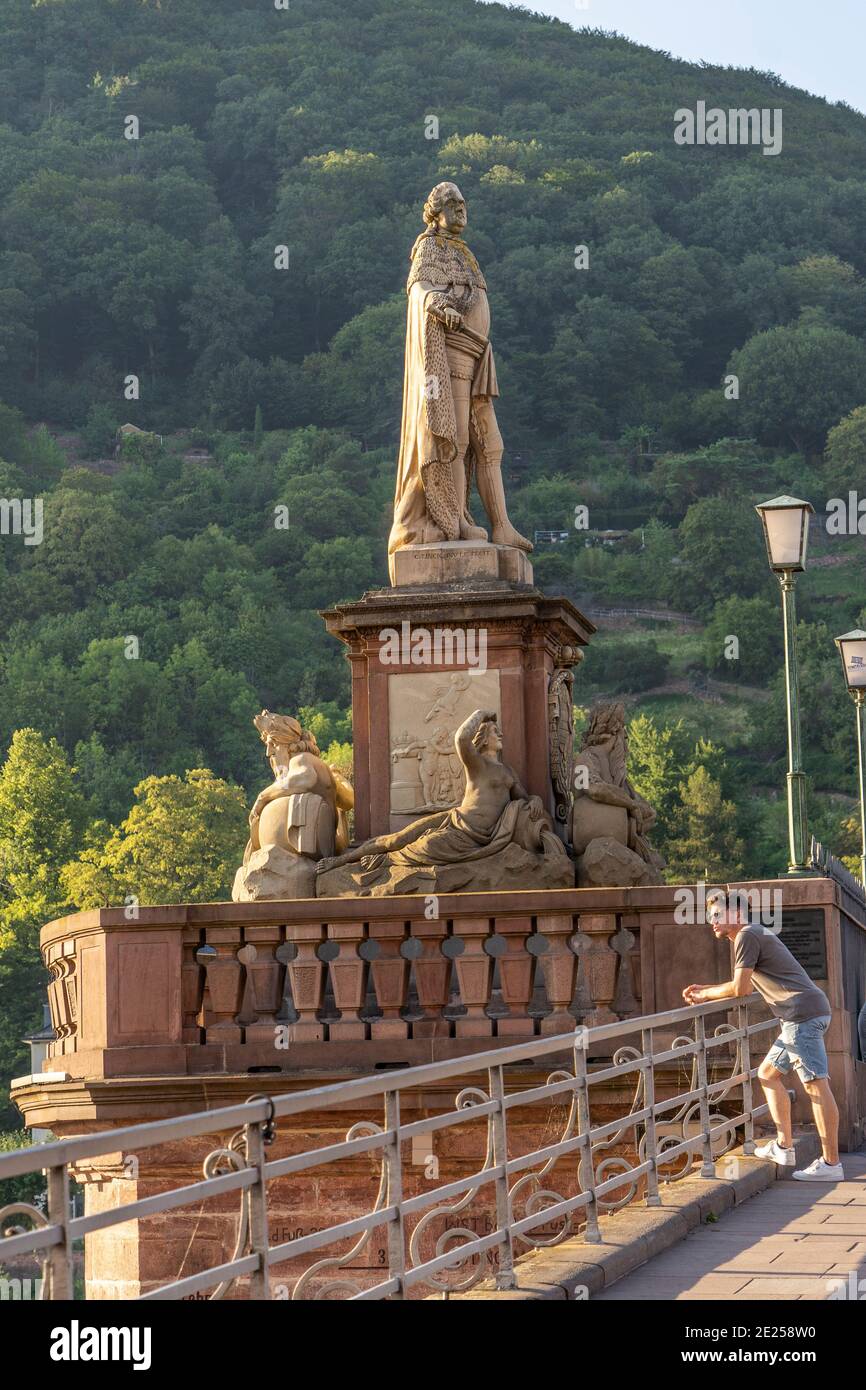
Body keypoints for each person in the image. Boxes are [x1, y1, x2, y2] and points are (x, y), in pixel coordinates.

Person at [388, 182, 531, 580]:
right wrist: (435, 301)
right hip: (449, 351)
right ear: (435, 211)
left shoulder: (463, 253)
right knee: (456, 437)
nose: (462, 209)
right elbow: (418, 288)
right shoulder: (429, 247)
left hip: (477, 352)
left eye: (464, 203)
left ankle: (501, 524)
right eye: (453, 204)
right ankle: (454, 521)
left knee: (490, 441)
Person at [682, 888, 843, 1182]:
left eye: (718, 914)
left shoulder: (746, 935)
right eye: (710, 915)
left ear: (737, 913)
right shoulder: (754, 933)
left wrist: (704, 994)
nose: (712, 921)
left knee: (816, 1085)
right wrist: (708, 989)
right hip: (803, 1014)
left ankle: (831, 1164)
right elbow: (740, 984)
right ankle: (783, 1147)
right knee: (768, 1074)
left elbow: (741, 989)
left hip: (801, 1016)